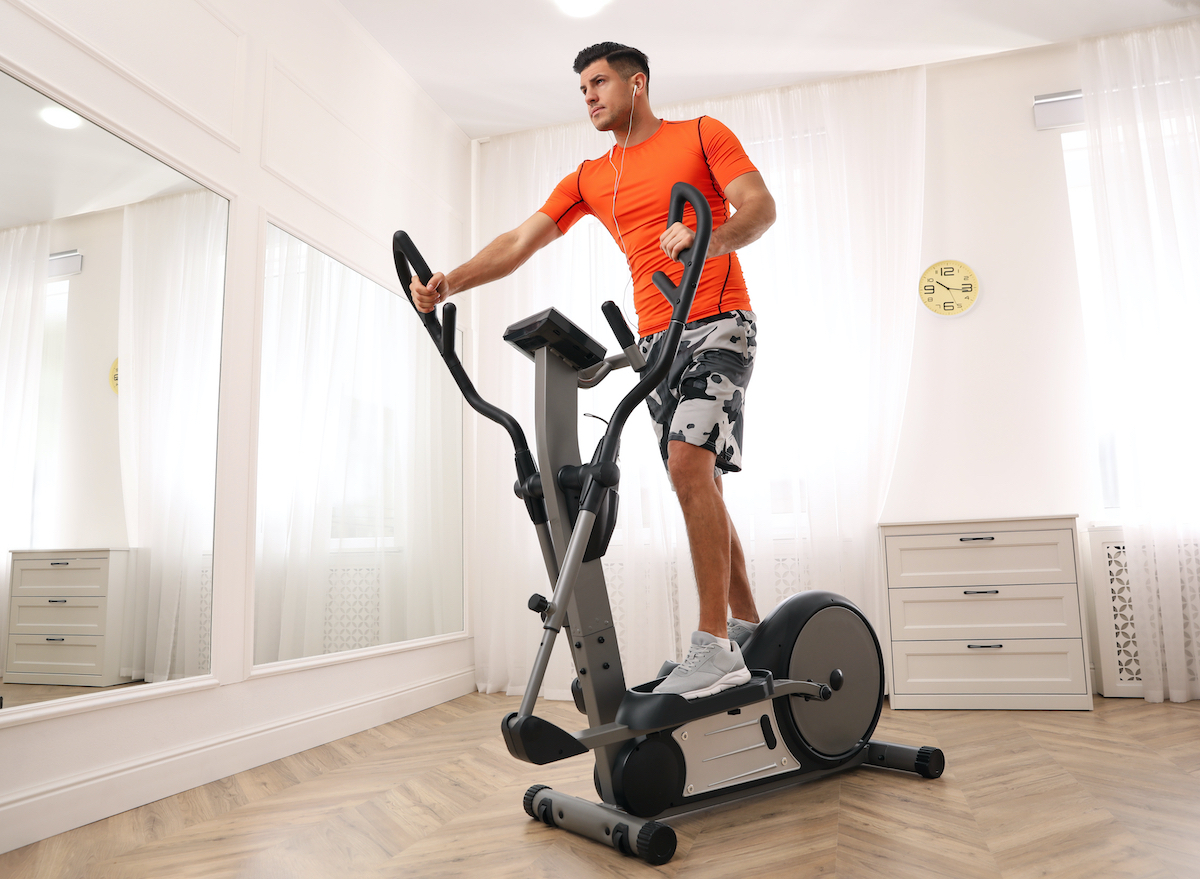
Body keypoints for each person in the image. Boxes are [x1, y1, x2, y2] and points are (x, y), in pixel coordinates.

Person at [411, 42, 776, 699]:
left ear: (637, 83)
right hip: (657, 342)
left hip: (720, 322)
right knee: (703, 481)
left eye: (600, 81)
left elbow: (758, 207)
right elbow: (520, 241)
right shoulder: (591, 175)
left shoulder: (701, 135)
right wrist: (450, 282)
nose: (589, 95)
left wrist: (709, 238)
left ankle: (713, 644)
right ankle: (748, 630)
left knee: (687, 466)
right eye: (582, 87)